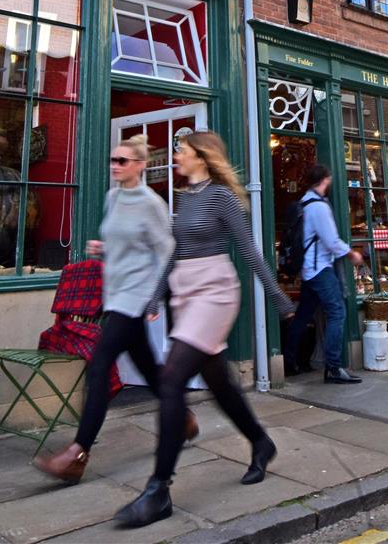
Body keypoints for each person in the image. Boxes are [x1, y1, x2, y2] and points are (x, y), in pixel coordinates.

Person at [114, 130, 295, 529]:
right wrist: (156, 295)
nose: (175, 155)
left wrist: (279, 299)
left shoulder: (221, 198)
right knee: (219, 383)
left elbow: (249, 251)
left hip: (215, 292)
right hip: (184, 291)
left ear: (202, 156)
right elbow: (177, 250)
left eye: (180, 150)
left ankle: (158, 489)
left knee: (172, 379)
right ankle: (261, 442)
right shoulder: (186, 197)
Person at [33, 135, 194, 484]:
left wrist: (156, 296)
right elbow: (124, 242)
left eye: (122, 160)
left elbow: (168, 251)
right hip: (115, 295)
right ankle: (181, 417)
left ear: (140, 165)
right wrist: (103, 249)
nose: (115, 165)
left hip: (135, 298)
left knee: (100, 365)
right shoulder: (112, 197)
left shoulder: (151, 204)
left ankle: (78, 453)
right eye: (113, 160)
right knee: (150, 370)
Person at [284, 164, 364, 383]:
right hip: (320, 269)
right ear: (325, 180)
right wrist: (351, 254)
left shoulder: (305, 202)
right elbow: (330, 240)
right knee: (337, 312)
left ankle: (289, 361)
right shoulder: (318, 207)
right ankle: (334, 368)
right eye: (329, 179)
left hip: (309, 270)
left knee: (302, 316)